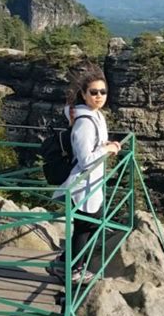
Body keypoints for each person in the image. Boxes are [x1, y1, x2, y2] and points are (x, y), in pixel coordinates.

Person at [48, 69, 121, 284]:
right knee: (86, 226)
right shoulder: (84, 122)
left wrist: (106, 145)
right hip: (83, 184)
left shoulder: (95, 115)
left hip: (92, 182)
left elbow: (94, 147)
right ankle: (74, 270)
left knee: (89, 224)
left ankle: (63, 265)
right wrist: (106, 150)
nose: (99, 95)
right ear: (83, 94)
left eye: (103, 91)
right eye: (94, 92)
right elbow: (86, 159)